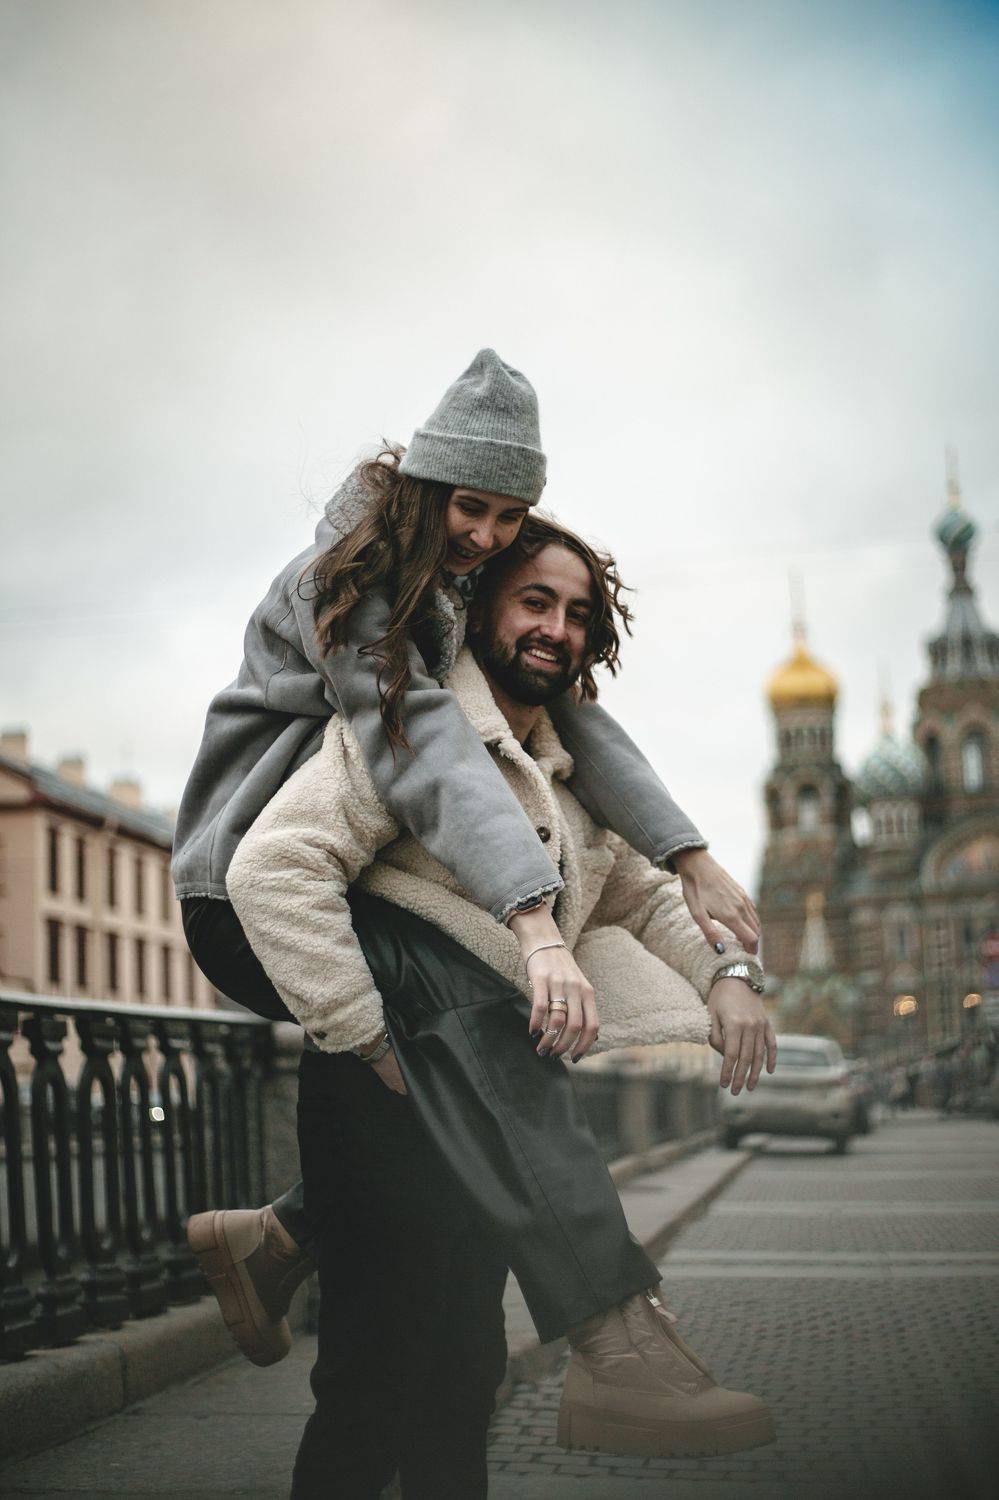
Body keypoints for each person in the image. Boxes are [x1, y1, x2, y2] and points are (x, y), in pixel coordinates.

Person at [193, 516, 777, 1497]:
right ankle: (612, 1334)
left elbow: (642, 900)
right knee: (371, 1385)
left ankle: (282, 1237)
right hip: (379, 1085)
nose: (558, 629)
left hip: (483, 1099)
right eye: (535, 602)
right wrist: (367, 1036)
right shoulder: (404, 730)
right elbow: (277, 869)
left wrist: (730, 975)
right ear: (478, 610)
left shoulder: (566, 774)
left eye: (579, 614)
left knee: (463, 1379)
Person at [176, 347, 760, 1301]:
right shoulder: (347, 583)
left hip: (340, 887)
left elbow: (579, 721)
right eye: (468, 507)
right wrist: (533, 924)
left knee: (448, 1096)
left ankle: (276, 1241)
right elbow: (424, 742)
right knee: (483, 1024)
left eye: (509, 514)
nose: (486, 534)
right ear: (425, 487)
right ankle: (608, 1318)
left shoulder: (450, 592)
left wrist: (687, 856)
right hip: (243, 876)